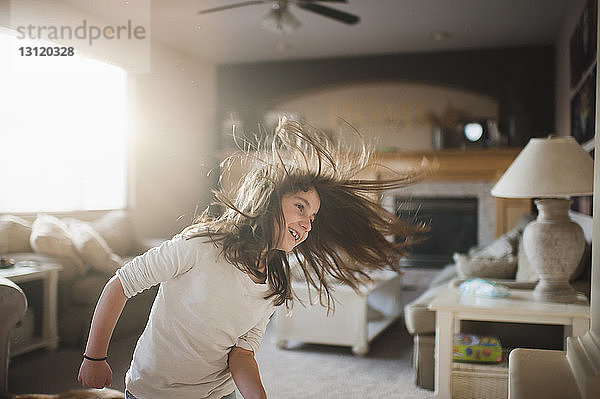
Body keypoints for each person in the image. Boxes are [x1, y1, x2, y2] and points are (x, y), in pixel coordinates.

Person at [77, 118, 425, 399]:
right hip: (152, 391)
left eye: (313, 218)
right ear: (269, 200)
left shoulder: (275, 281)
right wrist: (95, 356)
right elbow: (121, 284)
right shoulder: (200, 246)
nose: (306, 223)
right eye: (300, 207)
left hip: (217, 393)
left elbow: (241, 353)